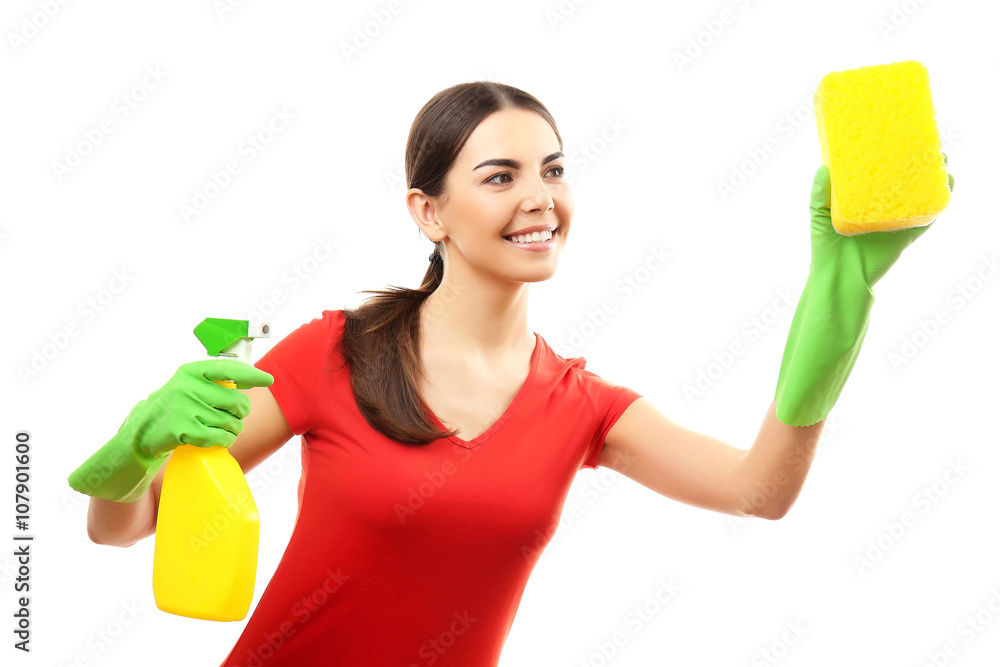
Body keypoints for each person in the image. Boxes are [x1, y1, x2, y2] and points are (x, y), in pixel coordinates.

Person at [67, 81, 953, 666]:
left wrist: (839, 293)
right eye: (500, 175)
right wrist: (130, 449)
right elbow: (124, 527)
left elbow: (759, 488)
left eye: (554, 170)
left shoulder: (582, 407)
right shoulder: (332, 352)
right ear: (429, 211)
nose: (541, 198)